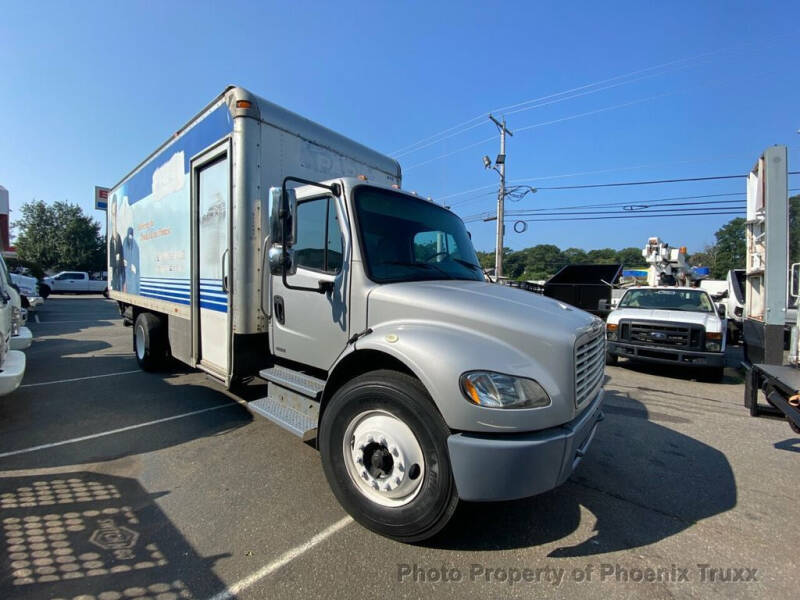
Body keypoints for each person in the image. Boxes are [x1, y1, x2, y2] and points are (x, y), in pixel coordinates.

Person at [109, 195, 125, 291]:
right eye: (112, 211)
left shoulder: (120, 235)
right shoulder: (113, 237)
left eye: (116, 210)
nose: (114, 213)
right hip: (115, 271)